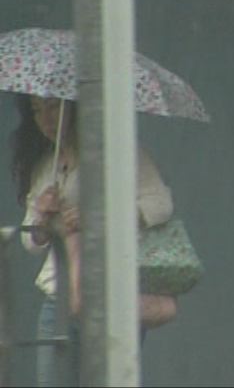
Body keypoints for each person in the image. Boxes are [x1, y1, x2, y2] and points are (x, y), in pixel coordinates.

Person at [13, 95, 178, 387]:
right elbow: (31, 242)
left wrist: (100, 217)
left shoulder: (117, 155)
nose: (46, 120)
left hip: (110, 298)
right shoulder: (44, 169)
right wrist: (40, 213)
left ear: (73, 107)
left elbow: (160, 203)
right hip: (58, 298)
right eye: (37, 112)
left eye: (53, 107)